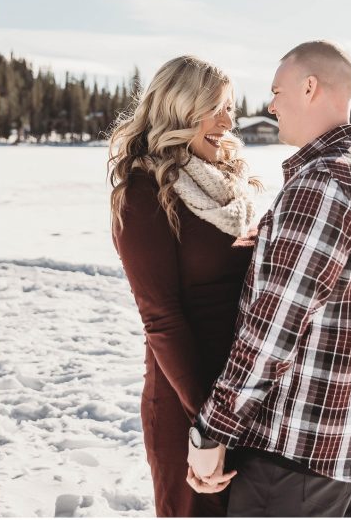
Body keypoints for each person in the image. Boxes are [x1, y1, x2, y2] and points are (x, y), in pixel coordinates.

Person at [185, 40, 351, 518]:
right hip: (340, 450)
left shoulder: (322, 183)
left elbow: (273, 331)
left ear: (309, 87)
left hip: (295, 454)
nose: (270, 104)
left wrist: (212, 429)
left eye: (277, 90)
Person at [109, 56, 261, 516]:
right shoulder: (145, 193)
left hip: (244, 393)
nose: (228, 122)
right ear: (179, 109)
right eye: (215, 107)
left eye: (231, 108)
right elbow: (161, 318)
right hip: (187, 400)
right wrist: (209, 423)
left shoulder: (231, 186)